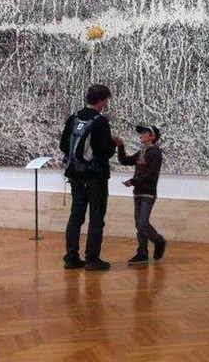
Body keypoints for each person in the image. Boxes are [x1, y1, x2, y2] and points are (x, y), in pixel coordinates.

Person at [59, 84, 117, 271]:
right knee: (96, 217)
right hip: (96, 177)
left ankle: (71, 258)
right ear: (101, 100)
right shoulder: (100, 122)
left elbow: (63, 145)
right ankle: (92, 259)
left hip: (75, 175)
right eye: (105, 101)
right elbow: (105, 152)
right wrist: (114, 144)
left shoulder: (73, 118)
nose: (105, 105)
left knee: (76, 216)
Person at [114, 124, 167, 265]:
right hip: (138, 192)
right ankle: (142, 253)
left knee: (142, 223)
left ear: (152, 136)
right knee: (139, 225)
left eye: (145, 132)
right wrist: (120, 146)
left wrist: (133, 181)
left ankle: (158, 240)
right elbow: (124, 161)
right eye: (141, 132)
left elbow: (151, 175)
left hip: (148, 193)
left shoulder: (155, 153)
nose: (141, 134)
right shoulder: (141, 151)